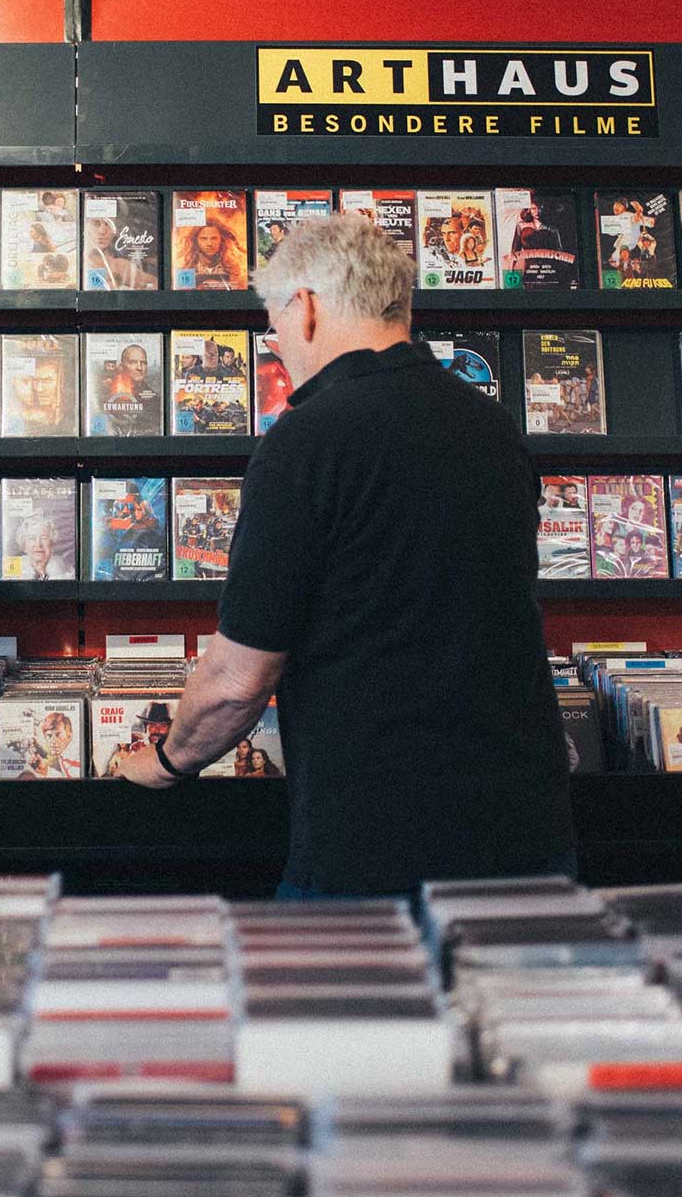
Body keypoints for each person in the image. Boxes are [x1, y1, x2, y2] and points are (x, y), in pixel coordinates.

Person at [118, 214, 574, 897]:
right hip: (526, 832)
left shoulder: (306, 442)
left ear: (304, 307)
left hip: (377, 848)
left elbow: (238, 680)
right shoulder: (490, 425)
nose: (275, 344)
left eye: (272, 322)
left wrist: (164, 761)